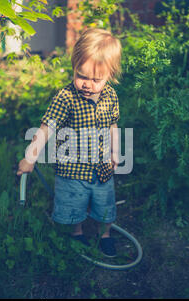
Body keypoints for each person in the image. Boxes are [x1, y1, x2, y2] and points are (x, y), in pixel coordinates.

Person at [17, 28, 122, 257]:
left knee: (105, 204)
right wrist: (30, 158)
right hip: (72, 169)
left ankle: (105, 235)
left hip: (102, 167)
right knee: (73, 205)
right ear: (74, 66)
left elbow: (113, 125)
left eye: (96, 80)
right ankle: (77, 232)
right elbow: (46, 128)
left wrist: (116, 152)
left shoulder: (111, 96)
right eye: (81, 76)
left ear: (110, 75)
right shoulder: (65, 97)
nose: (87, 84)